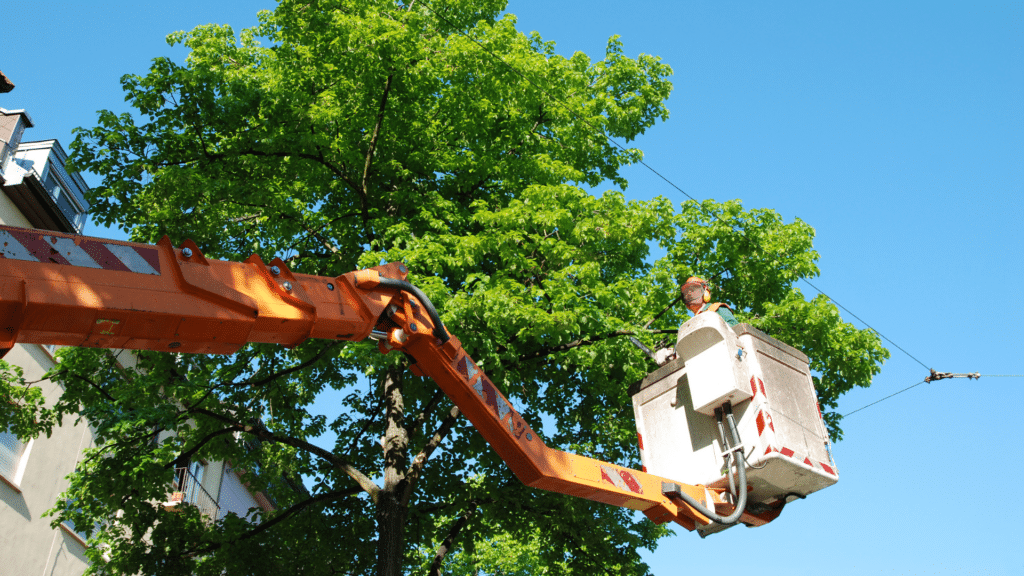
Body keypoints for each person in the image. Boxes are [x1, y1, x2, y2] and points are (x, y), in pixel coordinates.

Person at [653, 276, 737, 365]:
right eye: (686, 292)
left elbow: (736, 331)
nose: (689, 293)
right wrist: (672, 354)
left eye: (693, 289)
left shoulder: (717, 309)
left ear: (705, 291)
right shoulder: (689, 326)